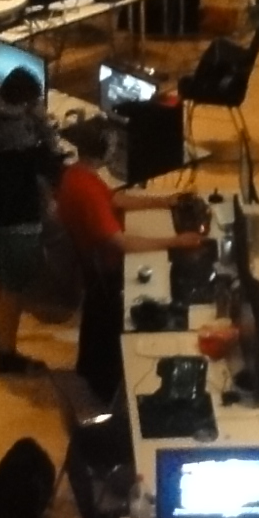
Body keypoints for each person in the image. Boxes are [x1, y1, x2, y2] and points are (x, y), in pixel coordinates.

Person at [53, 130, 211, 401]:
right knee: (166, 289)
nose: (116, 151)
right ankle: (111, 389)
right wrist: (176, 242)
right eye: (113, 147)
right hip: (107, 272)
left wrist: (163, 201)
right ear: (103, 152)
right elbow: (121, 243)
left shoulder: (77, 173)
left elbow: (115, 200)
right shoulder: (88, 191)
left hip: (94, 268)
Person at [0, 65, 60, 376]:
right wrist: (43, 123)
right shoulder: (23, 134)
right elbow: (52, 160)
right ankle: (7, 355)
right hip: (18, 219)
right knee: (13, 289)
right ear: (28, 101)